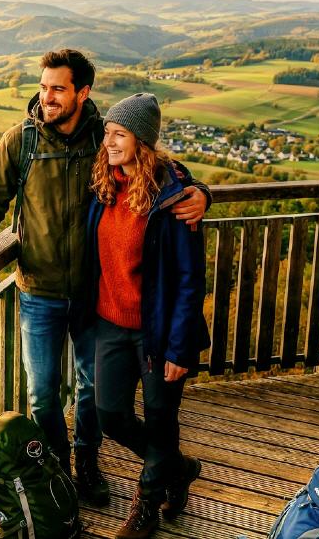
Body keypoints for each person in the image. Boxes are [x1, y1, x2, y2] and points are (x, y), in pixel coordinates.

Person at [0, 49, 210, 507]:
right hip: (38, 290)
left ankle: (87, 461)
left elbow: (160, 169)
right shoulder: (21, 141)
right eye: (44, 87)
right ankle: (57, 471)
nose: (47, 97)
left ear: (82, 93)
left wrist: (201, 192)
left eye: (58, 89)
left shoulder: (103, 138)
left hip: (92, 294)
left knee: (91, 390)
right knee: (43, 394)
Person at [82, 93, 211, 538]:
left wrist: (179, 347)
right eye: (107, 133)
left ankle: (147, 503)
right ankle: (177, 467)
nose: (109, 142)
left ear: (143, 141)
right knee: (110, 414)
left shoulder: (173, 197)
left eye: (119, 135)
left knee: (160, 417)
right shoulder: (104, 184)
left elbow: (190, 279)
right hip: (110, 323)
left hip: (157, 332)